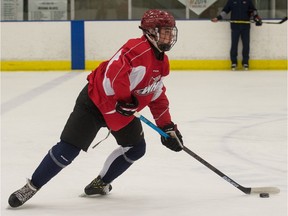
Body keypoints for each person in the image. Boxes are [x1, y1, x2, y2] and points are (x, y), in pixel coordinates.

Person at [8, 9, 183, 208]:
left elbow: (156, 94)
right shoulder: (136, 49)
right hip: (95, 102)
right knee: (68, 149)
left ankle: (100, 183)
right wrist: (124, 99)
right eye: (165, 31)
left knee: (136, 148)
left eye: (171, 31)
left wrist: (167, 126)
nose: (169, 36)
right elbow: (112, 74)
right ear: (151, 32)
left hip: (122, 109)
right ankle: (32, 186)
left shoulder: (161, 62)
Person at [211, 0, 262, 71]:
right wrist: (218, 18)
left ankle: (245, 62)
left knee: (246, 45)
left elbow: (253, 11)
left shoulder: (248, 1)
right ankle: (234, 62)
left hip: (245, 27)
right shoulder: (231, 1)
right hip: (235, 27)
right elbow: (225, 11)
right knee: (234, 45)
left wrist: (256, 17)